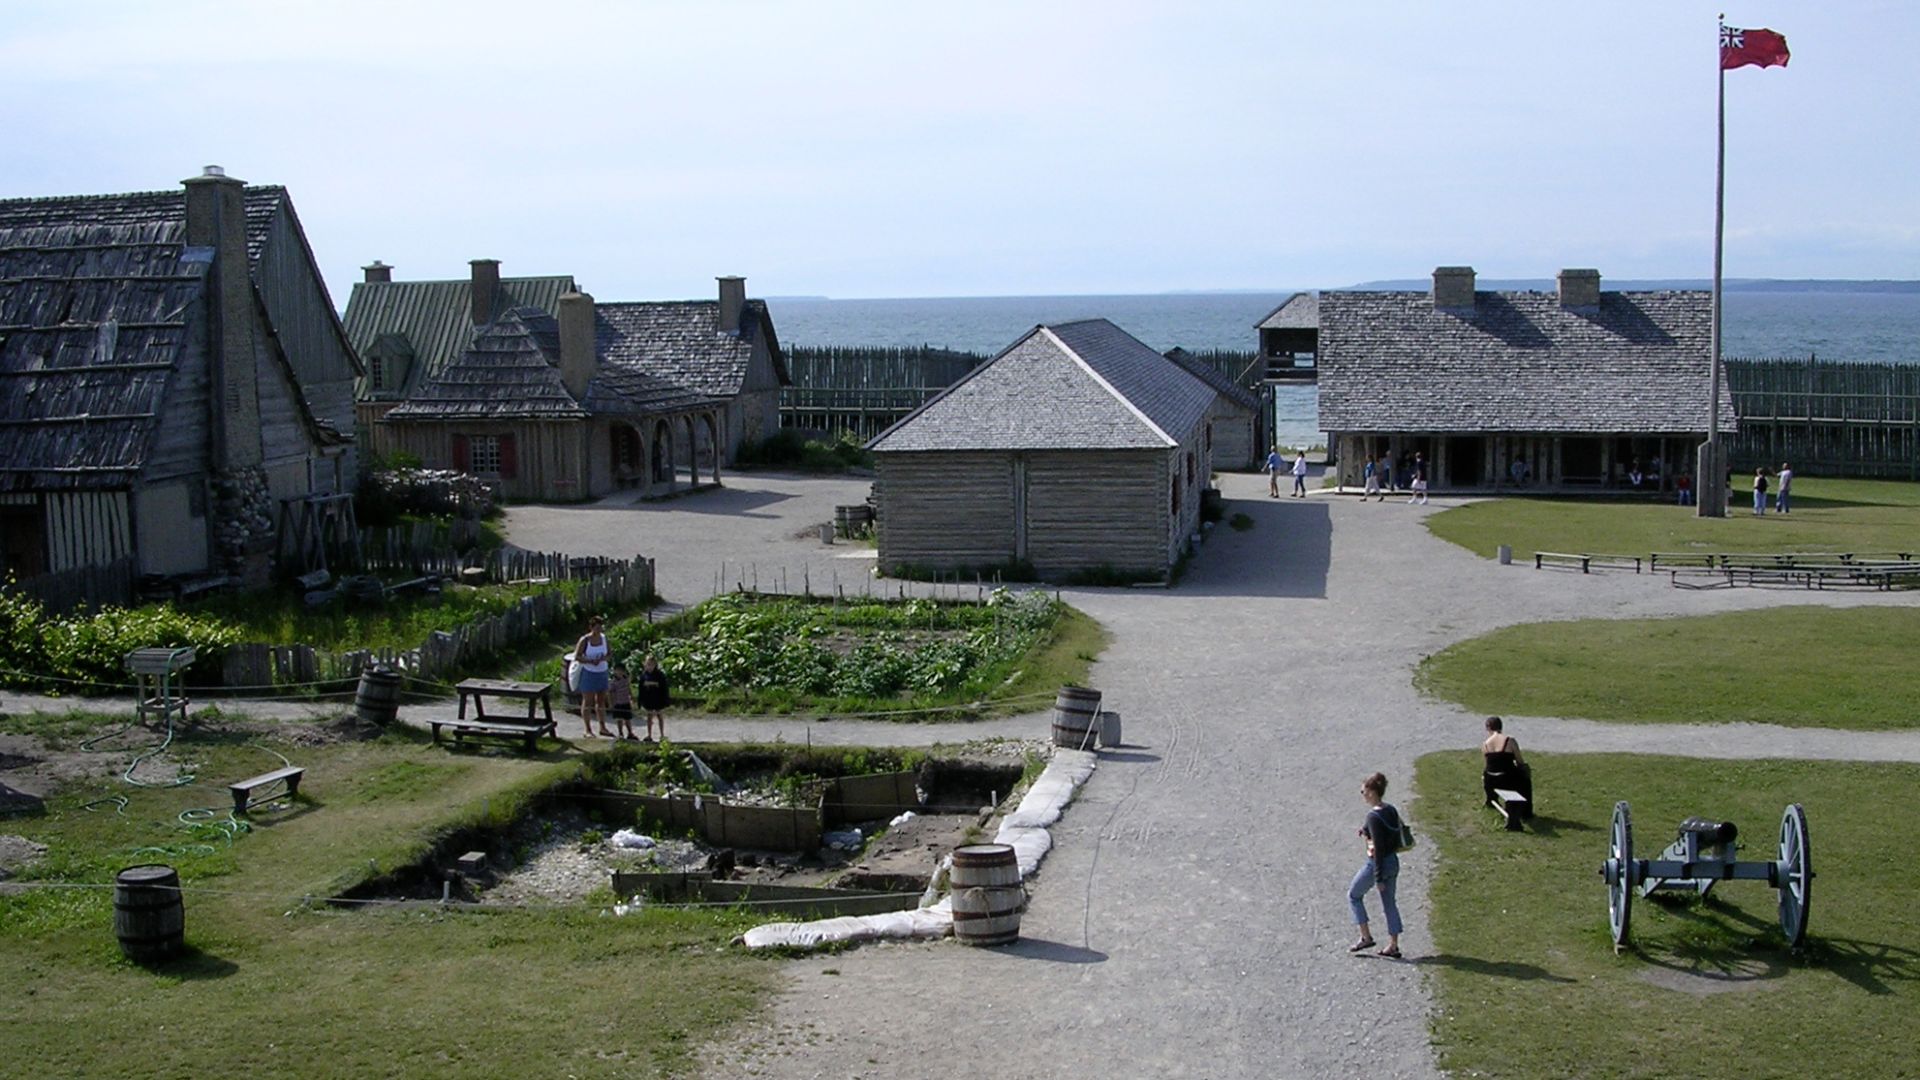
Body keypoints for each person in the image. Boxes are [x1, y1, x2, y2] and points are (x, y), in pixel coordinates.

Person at [1348, 772, 1406, 958]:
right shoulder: (1390, 810)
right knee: (1389, 904)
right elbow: (1387, 832)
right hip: (1393, 862)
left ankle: (1365, 936)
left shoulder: (1373, 816)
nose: (1362, 794)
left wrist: (1378, 877)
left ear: (1372, 792)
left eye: (1364, 791)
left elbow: (1378, 848)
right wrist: (1365, 830)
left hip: (1376, 864)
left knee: (1354, 895)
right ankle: (1393, 945)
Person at [572, 614, 613, 737]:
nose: (599, 630)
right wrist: (590, 661)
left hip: (602, 672)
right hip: (589, 673)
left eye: (600, 628)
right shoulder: (585, 640)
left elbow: (610, 653)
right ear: (591, 627)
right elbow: (577, 656)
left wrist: (603, 659)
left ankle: (603, 727)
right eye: (596, 628)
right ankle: (587, 729)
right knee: (588, 701)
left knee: (601, 701)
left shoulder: (604, 639)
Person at [1481, 716, 1532, 811]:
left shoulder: (1485, 745)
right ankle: (1526, 810)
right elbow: (1520, 761)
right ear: (1501, 727)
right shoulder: (1510, 741)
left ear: (1488, 728)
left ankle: (1491, 799)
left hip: (1491, 781)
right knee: (1525, 776)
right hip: (1508, 779)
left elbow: (1487, 765)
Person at [636, 653, 671, 743]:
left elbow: (664, 688)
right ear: (645, 664)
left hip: (658, 699)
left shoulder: (660, 675)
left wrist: (666, 700)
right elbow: (640, 689)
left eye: (651, 664)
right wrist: (640, 701)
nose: (649, 666)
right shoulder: (643, 676)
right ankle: (649, 735)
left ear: (655, 665)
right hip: (648, 699)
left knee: (659, 716)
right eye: (648, 664)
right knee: (649, 717)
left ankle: (662, 735)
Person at [608, 666, 636, 741]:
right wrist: (611, 703)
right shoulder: (613, 682)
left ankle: (630, 733)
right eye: (617, 671)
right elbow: (610, 693)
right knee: (619, 719)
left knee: (628, 719)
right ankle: (620, 733)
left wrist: (631, 696)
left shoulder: (626, 680)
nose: (619, 673)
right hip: (618, 703)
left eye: (621, 671)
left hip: (626, 702)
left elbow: (628, 688)